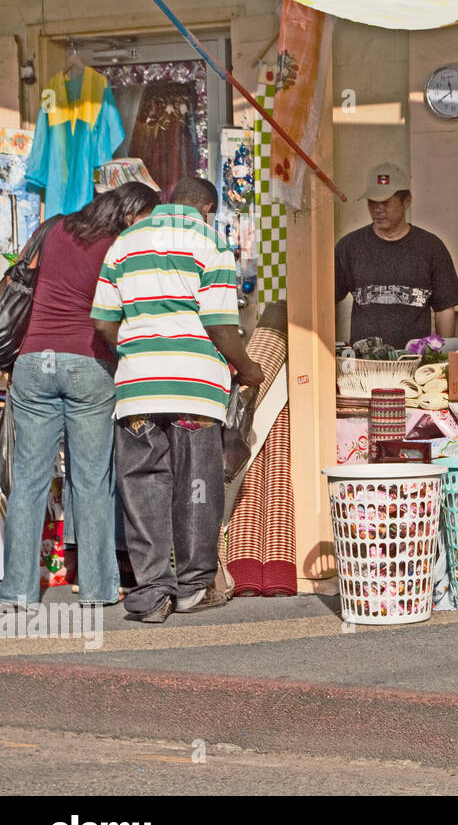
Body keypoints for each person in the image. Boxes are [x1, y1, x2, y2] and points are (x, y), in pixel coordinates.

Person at [91, 177, 264, 624]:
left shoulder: (124, 243)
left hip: (137, 390)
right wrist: (248, 369)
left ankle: (150, 592)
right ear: (207, 206)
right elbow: (222, 325)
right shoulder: (211, 244)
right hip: (196, 390)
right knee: (197, 487)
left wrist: (136, 353)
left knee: (143, 484)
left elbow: (105, 321)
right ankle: (192, 586)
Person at [0, 182, 160, 611]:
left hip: (32, 364)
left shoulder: (52, 229)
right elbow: (118, 311)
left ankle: (16, 591)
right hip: (88, 364)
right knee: (91, 482)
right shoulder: (117, 245)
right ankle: (98, 589)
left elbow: (19, 279)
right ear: (131, 214)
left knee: (28, 482)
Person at [335, 163, 458, 347]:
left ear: (407, 201)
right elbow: (326, 300)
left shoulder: (431, 248)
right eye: (372, 202)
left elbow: (445, 309)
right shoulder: (349, 247)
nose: (377, 209)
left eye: (386, 202)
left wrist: (444, 357)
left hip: (415, 363)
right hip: (363, 364)